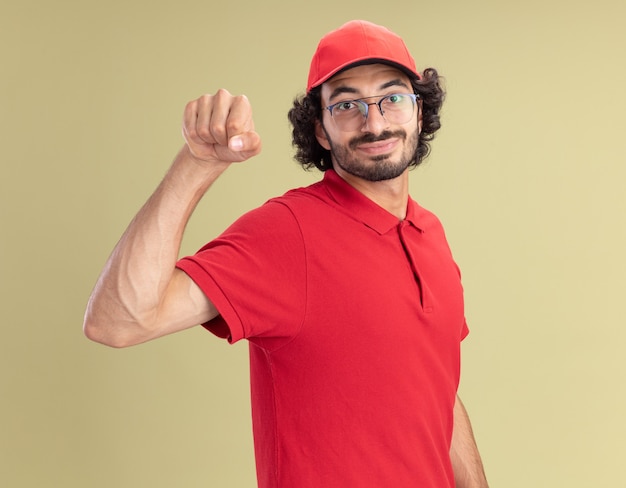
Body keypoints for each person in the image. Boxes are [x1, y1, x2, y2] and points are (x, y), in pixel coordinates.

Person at [84, 19, 489, 488]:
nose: (374, 122)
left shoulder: (431, 234)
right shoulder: (288, 232)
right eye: (347, 104)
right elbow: (118, 320)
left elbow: (438, 393)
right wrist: (197, 163)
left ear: (419, 111)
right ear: (320, 129)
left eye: (392, 97)